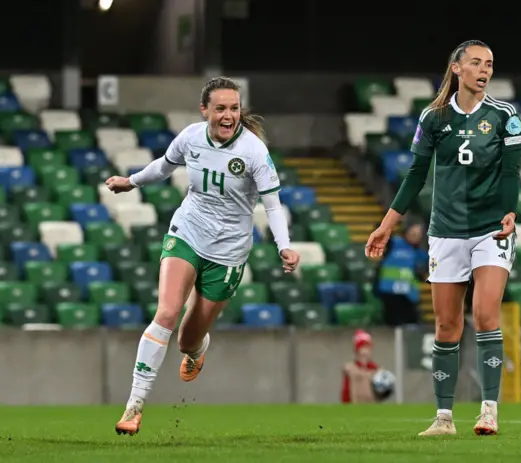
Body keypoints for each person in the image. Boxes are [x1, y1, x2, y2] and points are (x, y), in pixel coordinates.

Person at [107, 77, 301, 436]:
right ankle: (133, 408)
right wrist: (131, 182)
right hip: (188, 231)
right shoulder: (192, 136)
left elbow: (273, 205)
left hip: (228, 251)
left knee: (185, 339)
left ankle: (197, 349)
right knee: (165, 312)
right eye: (221, 109)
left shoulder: (255, 152)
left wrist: (283, 245)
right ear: (205, 110)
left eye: (234, 108)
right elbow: (164, 166)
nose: (229, 116)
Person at [365, 40, 521, 436]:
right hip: (446, 232)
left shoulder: (506, 116)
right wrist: (387, 224)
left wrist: (509, 211)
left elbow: (510, 172)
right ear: (457, 69)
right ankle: (444, 419)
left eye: (489, 63)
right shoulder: (434, 117)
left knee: (486, 314)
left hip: (491, 229)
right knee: (446, 326)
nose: (484, 69)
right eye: (475, 63)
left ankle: (488, 410)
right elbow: (416, 174)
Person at [373, 221, 428, 326]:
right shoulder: (394, 243)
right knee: (393, 325)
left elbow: (423, 274)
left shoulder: (421, 254)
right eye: (413, 231)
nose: (415, 235)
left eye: (418, 233)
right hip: (390, 293)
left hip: (408, 295)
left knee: (412, 325)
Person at [341, 329, 380, 403]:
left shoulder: (376, 369)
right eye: (363, 347)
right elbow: (346, 391)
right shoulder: (350, 369)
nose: (366, 351)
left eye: (368, 348)